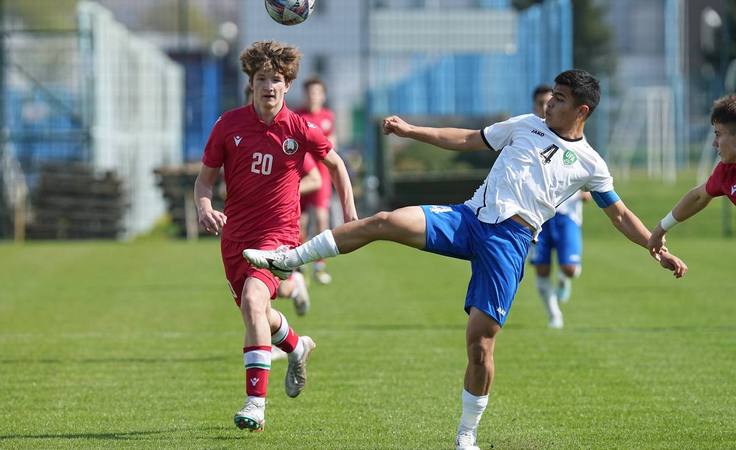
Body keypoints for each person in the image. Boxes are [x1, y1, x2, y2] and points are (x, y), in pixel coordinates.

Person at [243, 69, 688, 449]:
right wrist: (411, 131)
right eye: (552, 96)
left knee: (479, 344)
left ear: (582, 111)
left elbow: (619, 213)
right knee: (383, 220)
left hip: (509, 243)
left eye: (561, 99)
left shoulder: (590, 163)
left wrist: (655, 244)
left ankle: (466, 437)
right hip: (467, 218)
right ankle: (289, 258)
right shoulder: (525, 124)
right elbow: (468, 139)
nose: (550, 103)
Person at [194, 40, 357, 432]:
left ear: (288, 86)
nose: (270, 86)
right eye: (262, 78)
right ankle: (298, 345)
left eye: (277, 79)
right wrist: (204, 207)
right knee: (259, 314)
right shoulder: (228, 125)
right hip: (234, 238)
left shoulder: (299, 128)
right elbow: (204, 182)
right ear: (251, 83)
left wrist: (350, 215)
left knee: (254, 299)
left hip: (279, 236)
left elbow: (335, 164)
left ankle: (256, 404)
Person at [528, 84, 591, 328]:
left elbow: (587, 172)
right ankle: (554, 315)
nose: (547, 107)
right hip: (538, 218)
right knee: (541, 269)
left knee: (570, 268)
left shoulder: (572, 135)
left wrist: (585, 193)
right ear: (535, 107)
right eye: (541, 103)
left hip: (567, 216)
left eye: (551, 102)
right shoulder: (527, 136)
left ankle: (565, 280)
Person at [648, 94, 736, 253]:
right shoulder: (726, 172)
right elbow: (698, 197)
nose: (714, 143)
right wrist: (661, 229)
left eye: (718, 134)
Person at [295, 77, 337, 284]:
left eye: (317, 92)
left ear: (323, 95)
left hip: (322, 175)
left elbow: (331, 145)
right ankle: (300, 262)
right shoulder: (297, 116)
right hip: (302, 176)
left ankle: (320, 265)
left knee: (321, 219)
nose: (313, 96)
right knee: (299, 221)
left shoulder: (328, 116)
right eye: (310, 92)